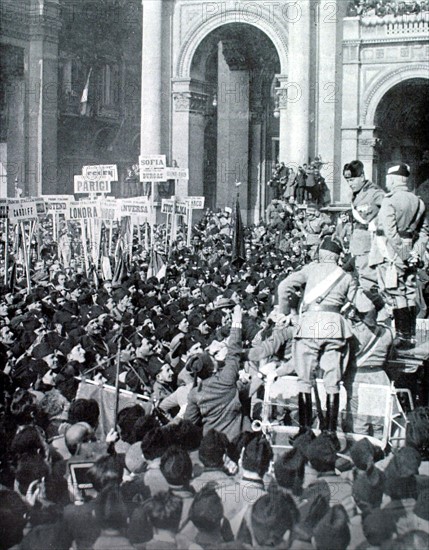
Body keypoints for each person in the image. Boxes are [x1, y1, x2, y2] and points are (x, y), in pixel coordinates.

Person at [277, 236, 374, 432]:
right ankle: (330, 433)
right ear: (338, 256)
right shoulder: (346, 277)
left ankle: (305, 431)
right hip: (334, 327)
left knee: (305, 380)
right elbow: (366, 306)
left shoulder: (310, 269)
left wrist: (285, 312)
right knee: (332, 381)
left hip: (310, 325)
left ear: (321, 254)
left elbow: (283, 286)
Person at [369, 163, 428, 349]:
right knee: (409, 291)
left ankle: (402, 337)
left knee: (394, 292)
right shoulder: (418, 201)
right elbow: (425, 231)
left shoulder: (390, 200)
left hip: (390, 253)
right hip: (410, 250)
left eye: (388, 178)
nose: (386, 181)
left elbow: (390, 232)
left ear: (393, 179)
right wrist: (415, 254)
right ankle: (409, 336)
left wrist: (402, 254)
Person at [184, 305, 251, 441]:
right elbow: (234, 352)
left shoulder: (194, 394)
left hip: (214, 443)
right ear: (213, 368)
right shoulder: (226, 378)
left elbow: (189, 423)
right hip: (239, 437)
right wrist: (237, 321)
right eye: (212, 357)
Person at [343, 160, 385, 292]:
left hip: (369, 243)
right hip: (358, 244)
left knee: (369, 280)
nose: (350, 184)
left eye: (353, 180)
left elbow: (389, 209)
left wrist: (377, 224)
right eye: (348, 181)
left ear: (362, 177)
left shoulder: (374, 192)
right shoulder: (354, 195)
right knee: (360, 277)